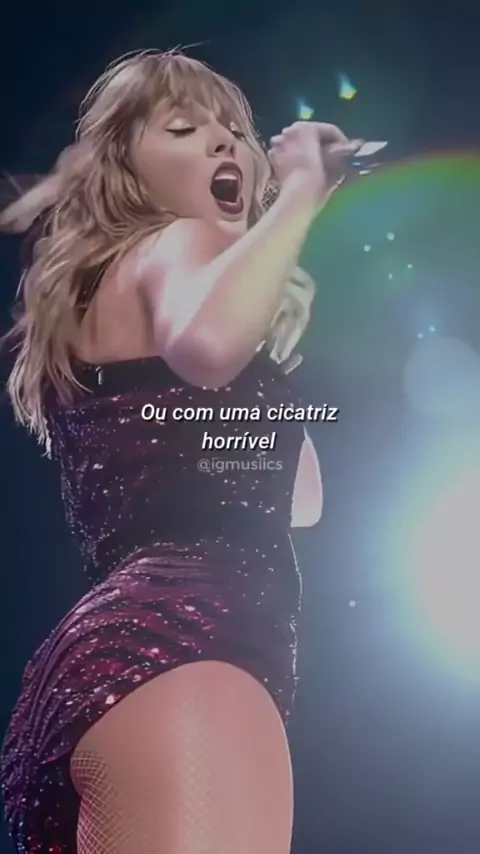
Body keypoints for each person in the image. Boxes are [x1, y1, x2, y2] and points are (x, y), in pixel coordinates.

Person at [0, 49, 356, 854]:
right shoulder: (172, 241)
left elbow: (299, 499)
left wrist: (264, 351)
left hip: (102, 678)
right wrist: (304, 189)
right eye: (185, 129)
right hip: (183, 659)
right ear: (125, 170)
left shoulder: (112, 301)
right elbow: (209, 344)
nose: (225, 142)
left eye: (235, 130)